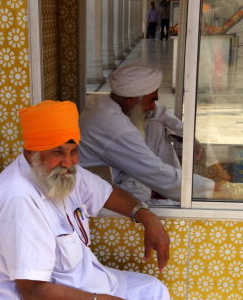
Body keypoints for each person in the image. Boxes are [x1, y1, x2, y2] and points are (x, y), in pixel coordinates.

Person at [0, 100, 171, 300]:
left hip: (82, 288)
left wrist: (145, 216)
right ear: (32, 152)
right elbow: (36, 294)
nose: (68, 162)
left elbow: (105, 192)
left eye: (73, 151)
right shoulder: (18, 199)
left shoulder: (61, 173)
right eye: (58, 152)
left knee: (153, 293)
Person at [79, 64, 228, 204]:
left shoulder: (105, 101)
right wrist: (212, 187)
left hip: (122, 171)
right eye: (151, 100)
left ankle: (179, 187)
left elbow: (159, 113)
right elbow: (155, 172)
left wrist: (189, 138)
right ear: (131, 101)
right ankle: (181, 191)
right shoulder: (116, 129)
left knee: (156, 124)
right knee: (148, 200)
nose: (153, 106)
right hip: (101, 189)